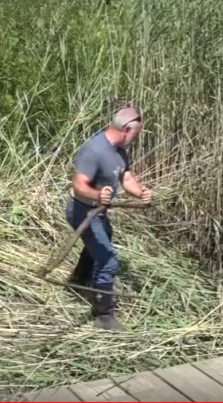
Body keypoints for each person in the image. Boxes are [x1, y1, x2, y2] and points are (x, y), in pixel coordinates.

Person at [65, 106, 152, 331]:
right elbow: (78, 185)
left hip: (99, 213)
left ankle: (77, 281)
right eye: (136, 133)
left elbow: (126, 177)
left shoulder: (120, 151)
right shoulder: (93, 150)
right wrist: (97, 194)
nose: (136, 138)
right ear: (126, 129)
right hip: (83, 212)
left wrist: (141, 192)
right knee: (107, 260)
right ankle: (104, 316)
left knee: (99, 244)